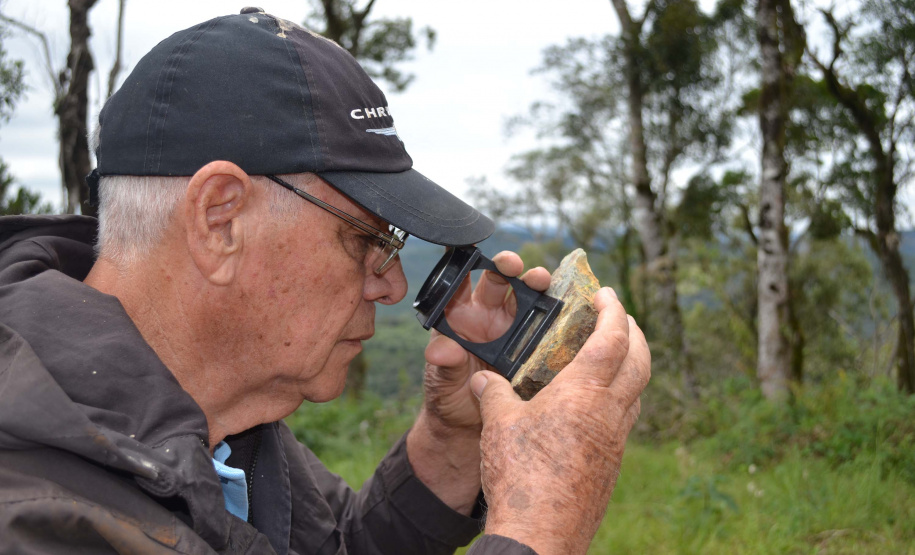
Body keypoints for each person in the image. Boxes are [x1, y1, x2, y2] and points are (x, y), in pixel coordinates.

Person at [0, 9, 650, 555]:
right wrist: (537, 527)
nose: (391, 285)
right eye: (367, 239)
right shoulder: (38, 515)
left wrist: (450, 438)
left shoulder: (215, 431)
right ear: (219, 220)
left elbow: (333, 545)